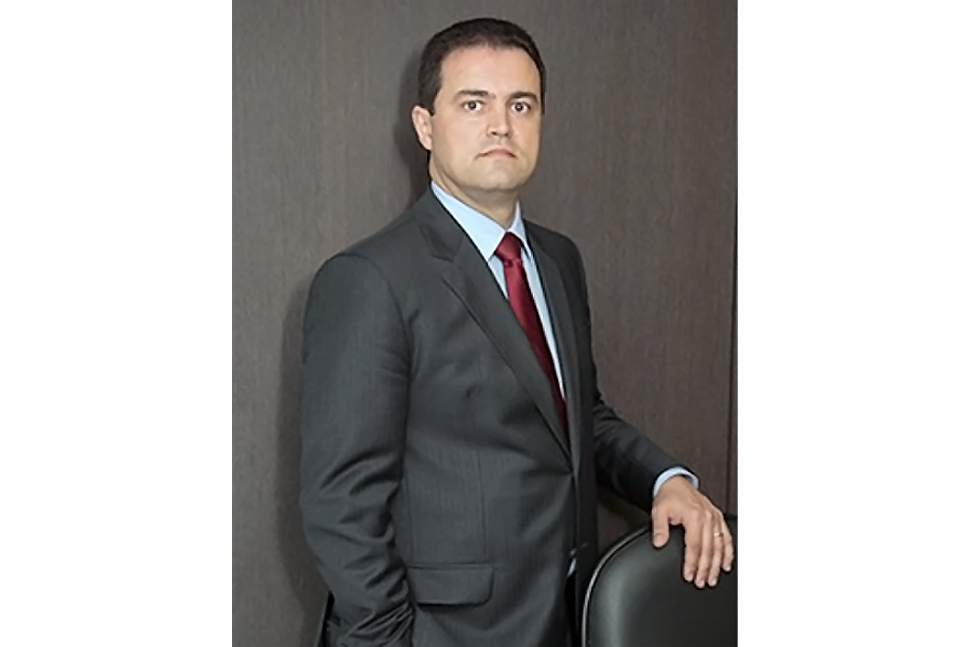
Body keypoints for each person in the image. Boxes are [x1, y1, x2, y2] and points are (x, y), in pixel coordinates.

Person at [299, 16, 734, 647]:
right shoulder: (369, 279)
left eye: (521, 105)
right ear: (425, 125)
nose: (501, 124)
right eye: (474, 103)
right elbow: (342, 503)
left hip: (567, 619)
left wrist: (667, 480)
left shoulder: (557, 260)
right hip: (442, 634)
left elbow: (578, 418)